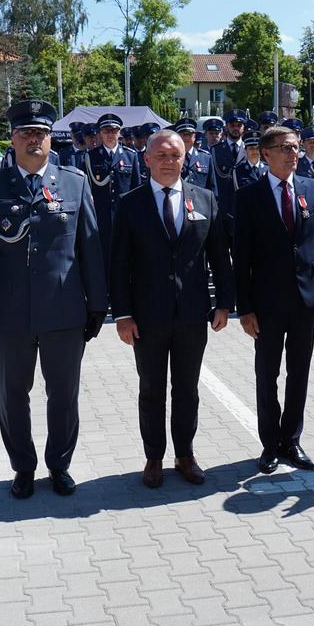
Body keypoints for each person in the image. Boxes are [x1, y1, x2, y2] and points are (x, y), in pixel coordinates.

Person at [0, 99, 107, 499]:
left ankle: (59, 464)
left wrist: (97, 303)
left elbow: (90, 249)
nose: (34, 140)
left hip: (64, 310)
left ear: (51, 139)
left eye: (41, 133)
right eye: (25, 133)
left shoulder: (74, 182)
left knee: (63, 394)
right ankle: (23, 467)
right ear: (11, 139)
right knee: (13, 395)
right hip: (11, 311)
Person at [110, 129, 234, 488]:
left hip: (192, 314)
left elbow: (220, 257)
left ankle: (185, 454)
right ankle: (153, 458)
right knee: (151, 389)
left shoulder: (205, 199)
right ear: (146, 159)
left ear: (186, 158)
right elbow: (118, 264)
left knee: (187, 389)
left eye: (175, 155)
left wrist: (225, 303)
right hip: (146, 317)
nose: (169, 162)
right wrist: (122, 314)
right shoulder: (130, 203)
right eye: (161, 155)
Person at [233, 125, 314, 473]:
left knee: (300, 373)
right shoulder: (248, 197)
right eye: (284, 148)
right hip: (266, 303)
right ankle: (269, 444)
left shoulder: (313, 188)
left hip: (306, 299)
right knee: (267, 374)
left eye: (295, 147)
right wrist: (245, 308)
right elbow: (242, 257)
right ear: (265, 155)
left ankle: (291, 440)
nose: (293, 154)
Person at [81, 113, 140, 284]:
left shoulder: (130, 156)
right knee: (102, 257)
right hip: (100, 218)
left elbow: (136, 189)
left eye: (113, 130)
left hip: (124, 217)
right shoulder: (90, 157)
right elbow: (85, 191)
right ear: (100, 133)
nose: (110, 134)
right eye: (106, 131)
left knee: (125, 256)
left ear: (119, 132)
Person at [175, 118, 216, 194]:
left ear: (194, 136)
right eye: (183, 134)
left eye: (189, 134)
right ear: (177, 136)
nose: (186, 138)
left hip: (200, 203)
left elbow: (212, 188)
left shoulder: (206, 158)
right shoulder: (171, 158)